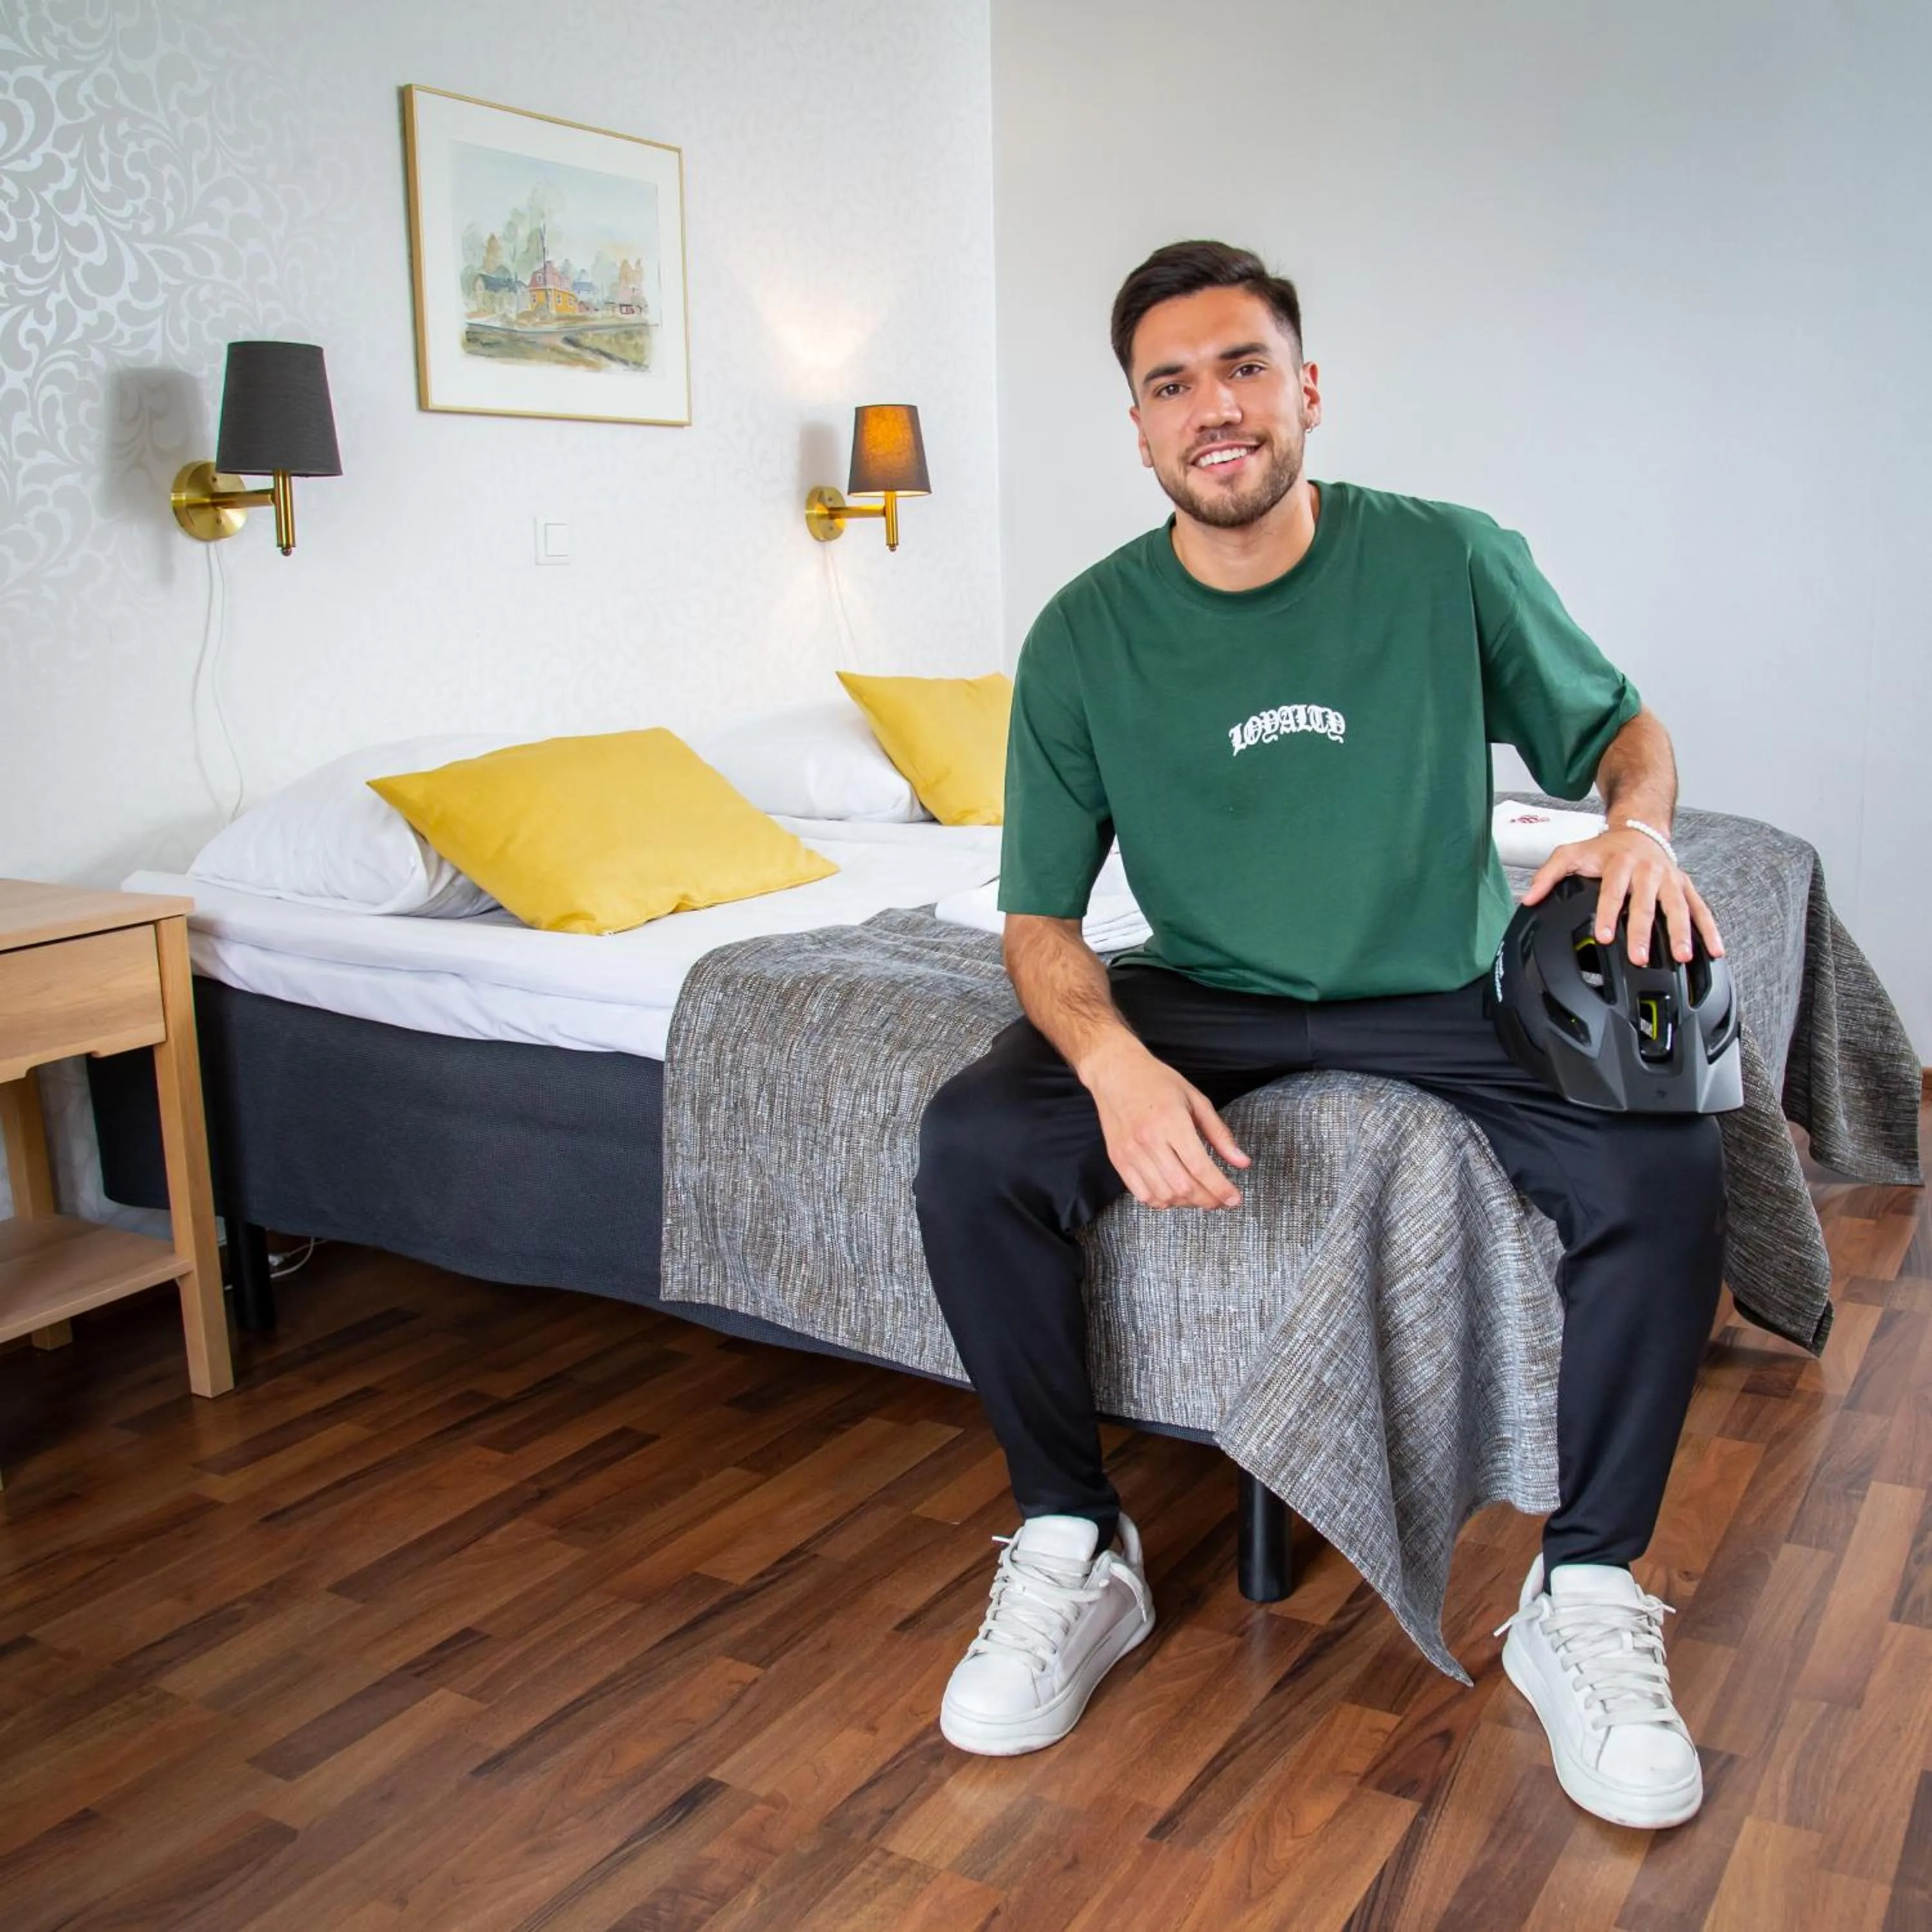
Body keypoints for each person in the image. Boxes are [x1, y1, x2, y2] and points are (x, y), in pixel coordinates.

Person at [913, 240, 1728, 1831]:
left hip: (1438, 985)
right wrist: (1113, 1062)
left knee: (1666, 1162)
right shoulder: (1084, 634)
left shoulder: (1448, 559)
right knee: (974, 1146)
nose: (1212, 407)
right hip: (1203, 988)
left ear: (1305, 389)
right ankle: (1075, 1539)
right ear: (1139, 429)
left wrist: (1639, 830)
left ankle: (1583, 1588)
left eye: (1242, 367)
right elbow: (1039, 921)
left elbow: (1624, 730)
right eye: (1171, 384)